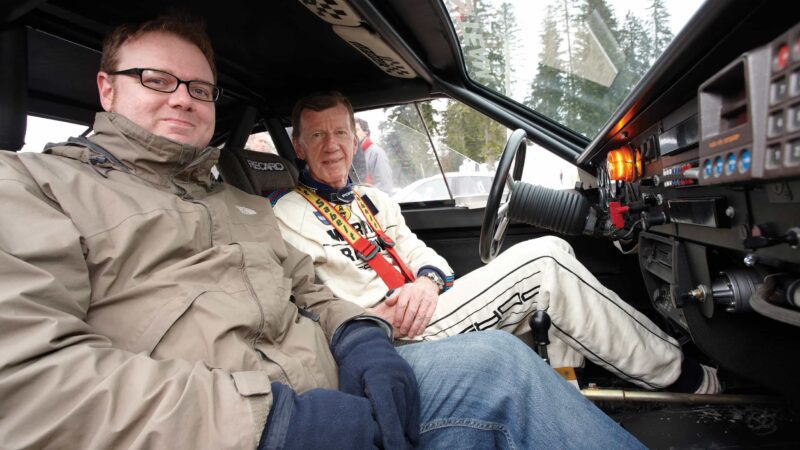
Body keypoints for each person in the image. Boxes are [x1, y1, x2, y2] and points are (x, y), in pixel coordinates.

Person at [0, 15, 644, 450]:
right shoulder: (31, 186)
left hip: (342, 378)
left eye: (199, 87)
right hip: (238, 425)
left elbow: (311, 292)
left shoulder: (239, 202)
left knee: (499, 365)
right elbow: (24, 383)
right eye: (157, 81)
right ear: (106, 89)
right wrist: (279, 421)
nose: (183, 99)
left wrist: (364, 344)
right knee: (543, 265)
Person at [271, 91, 722, 395]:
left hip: (428, 307)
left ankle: (567, 393)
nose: (332, 145)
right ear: (298, 146)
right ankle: (689, 380)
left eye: (341, 132)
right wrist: (371, 319)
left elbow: (422, 254)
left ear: (355, 138)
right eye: (317, 135)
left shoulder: (374, 200)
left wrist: (426, 284)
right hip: (391, 338)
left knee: (560, 257)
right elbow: (304, 309)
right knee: (544, 264)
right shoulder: (284, 216)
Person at [355, 116, 393, 193]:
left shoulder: (376, 152)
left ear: (366, 132)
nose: (353, 134)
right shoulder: (352, 155)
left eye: (356, 130)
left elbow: (384, 185)